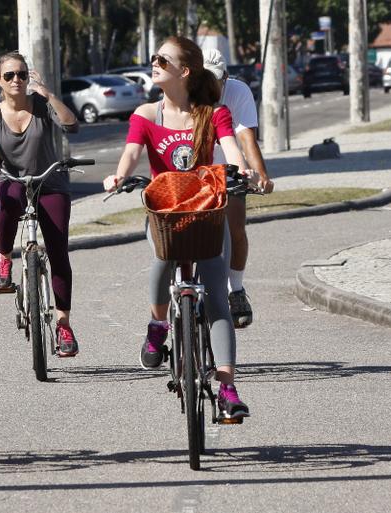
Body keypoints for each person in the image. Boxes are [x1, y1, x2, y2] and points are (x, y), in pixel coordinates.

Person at [102, 36, 256, 419]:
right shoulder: (146, 114)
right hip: (165, 214)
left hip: (206, 211)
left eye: (162, 60)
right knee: (160, 263)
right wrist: (118, 177)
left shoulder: (212, 112)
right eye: (154, 59)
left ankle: (227, 388)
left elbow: (230, 149)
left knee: (217, 296)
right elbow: (131, 154)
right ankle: (158, 326)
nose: (153, 64)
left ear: (184, 72)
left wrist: (240, 171)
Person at [0, 52, 81, 357]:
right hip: (12, 180)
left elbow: (71, 125)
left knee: (58, 252)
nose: (16, 80)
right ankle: (4, 258)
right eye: (9, 76)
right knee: (9, 201)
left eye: (22, 74)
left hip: (50, 182)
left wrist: (48, 94)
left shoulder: (42, 106)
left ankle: (64, 325)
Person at [203, 49, 275, 329]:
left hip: (231, 169)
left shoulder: (237, 93)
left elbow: (245, 138)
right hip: (193, 173)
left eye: (215, 81)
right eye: (202, 80)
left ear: (226, 78)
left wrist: (262, 177)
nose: (209, 87)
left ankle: (236, 289)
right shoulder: (183, 93)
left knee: (236, 228)